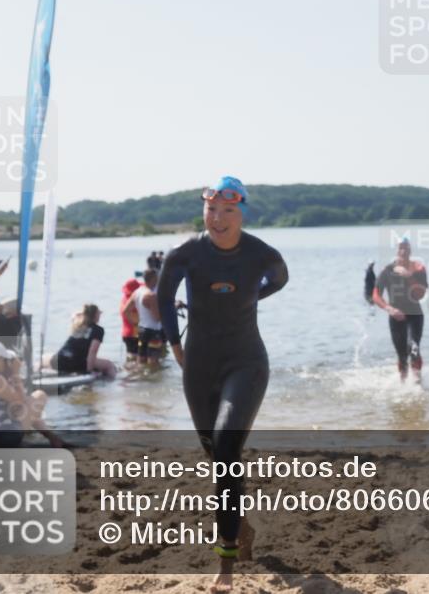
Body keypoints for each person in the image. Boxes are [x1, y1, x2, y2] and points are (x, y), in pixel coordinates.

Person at [156, 176, 288, 590]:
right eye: (211, 209)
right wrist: (175, 344)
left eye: (228, 210)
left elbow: (279, 280)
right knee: (218, 457)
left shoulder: (262, 254)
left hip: (247, 362)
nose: (218, 218)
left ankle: (226, 563)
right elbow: (163, 297)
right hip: (199, 365)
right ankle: (240, 524)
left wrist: (248, 297)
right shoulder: (185, 253)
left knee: (227, 445)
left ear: (241, 213)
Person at [0, 337, 64, 448]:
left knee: (19, 408)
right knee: (39, 396)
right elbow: (22, 401)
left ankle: (53, 438)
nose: (7, 362)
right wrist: (15, 372)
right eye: (4, 359)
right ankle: (53, 439)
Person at [372, 238, 428, 382]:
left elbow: (420, 294)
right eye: (400, 248)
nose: (403, 251)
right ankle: (403, 384)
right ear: (396, 251)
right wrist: (389, 308)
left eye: (406, 248)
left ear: (410, 250)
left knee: (414, 348)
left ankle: (418, 383)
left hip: (415, 315)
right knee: (402, 356)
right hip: (396, 317)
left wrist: (409, 276)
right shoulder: (387, 270)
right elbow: (376, 295)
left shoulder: (419, 269)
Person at [45, 304, 117, 378]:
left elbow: (74, 315)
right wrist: (89, 372)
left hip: (59, 361)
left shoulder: (77, 325)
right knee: (109, 365)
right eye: (99, 313)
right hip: (75, 363)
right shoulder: (98, 330)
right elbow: (93, 351)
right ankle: (112, 382)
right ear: (95, 315)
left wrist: (84, 312)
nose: (100, 315)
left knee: (46, 357)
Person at [125, 269, 163, 367]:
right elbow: (157, 318)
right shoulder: (151, 295)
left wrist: (134, 323)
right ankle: (152, 377)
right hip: (153, 331)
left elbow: (126, 311)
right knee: (153, 363)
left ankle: (139, 376)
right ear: (153, 279)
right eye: (157, 278)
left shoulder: (137, 292)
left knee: (141, 359)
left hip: (142, 330)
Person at [119, 277, 142, 365]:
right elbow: (127, 313)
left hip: (126, 333)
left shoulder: (124, 299)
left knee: (131, 358)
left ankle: (128, 372)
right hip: (133, 334)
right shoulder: (132, 302)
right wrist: (136, 323)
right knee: (135, 359)